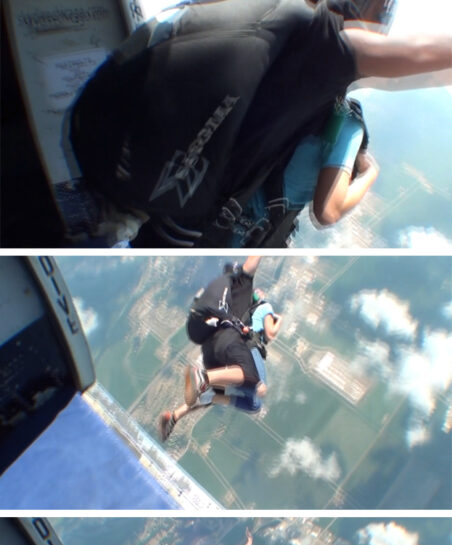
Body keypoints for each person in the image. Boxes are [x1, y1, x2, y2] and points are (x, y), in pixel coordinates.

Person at [69, 0, 452, 247]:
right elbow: (423, 54)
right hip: (188, 223)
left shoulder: (267, 15)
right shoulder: (324, 46)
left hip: (124, 170)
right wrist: (370, 173)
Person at [158, 257, 282, 441]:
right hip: (246, 347)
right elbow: (270, 333)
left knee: (214, 395)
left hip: (217, 346)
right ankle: (204, 380)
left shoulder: (238, 303)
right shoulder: (265, 307)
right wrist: (279, 319)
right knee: (255, 401)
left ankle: (175, 416)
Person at [228, 95, 378, 246]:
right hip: (244, 225)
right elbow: (328, 211)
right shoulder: (348, 123)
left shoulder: (305, 88)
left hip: (227, 190)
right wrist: (371, 173)